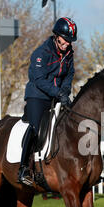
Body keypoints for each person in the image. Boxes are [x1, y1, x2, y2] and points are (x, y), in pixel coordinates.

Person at [18, 17, 77, 186]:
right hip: (37, 95)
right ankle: (23, 168)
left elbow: (69, 74)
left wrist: (65, 91)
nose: (67, 44)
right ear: (56, 36)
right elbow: (39, 80)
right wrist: (58, 93)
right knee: (36, 128)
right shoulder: (41, 53)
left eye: (70, 41)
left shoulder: (69, 53)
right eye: (65, 40)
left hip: (56, 95)